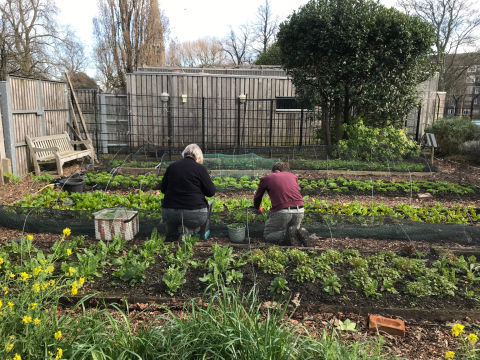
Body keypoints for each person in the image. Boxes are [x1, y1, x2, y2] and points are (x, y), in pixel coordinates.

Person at [159, 144, 216, 240]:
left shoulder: (172, 167)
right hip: (193, 213)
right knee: (195, 223)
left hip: (170, 212)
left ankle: (167, 227)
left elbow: (163, 189)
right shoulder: (200, 168)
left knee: (172, 221)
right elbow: (211, 192)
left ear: (184, 154)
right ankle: (188, 231)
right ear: (198, 157)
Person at [253, 162, 309, 246]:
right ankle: (299, 234)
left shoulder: (267, 178)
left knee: (268, 235)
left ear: (273, 171)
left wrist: (257, 207)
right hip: (300, 209)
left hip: (282, 211)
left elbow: (258, 198)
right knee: (294, 236)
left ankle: (287, 234)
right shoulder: (293, 176)